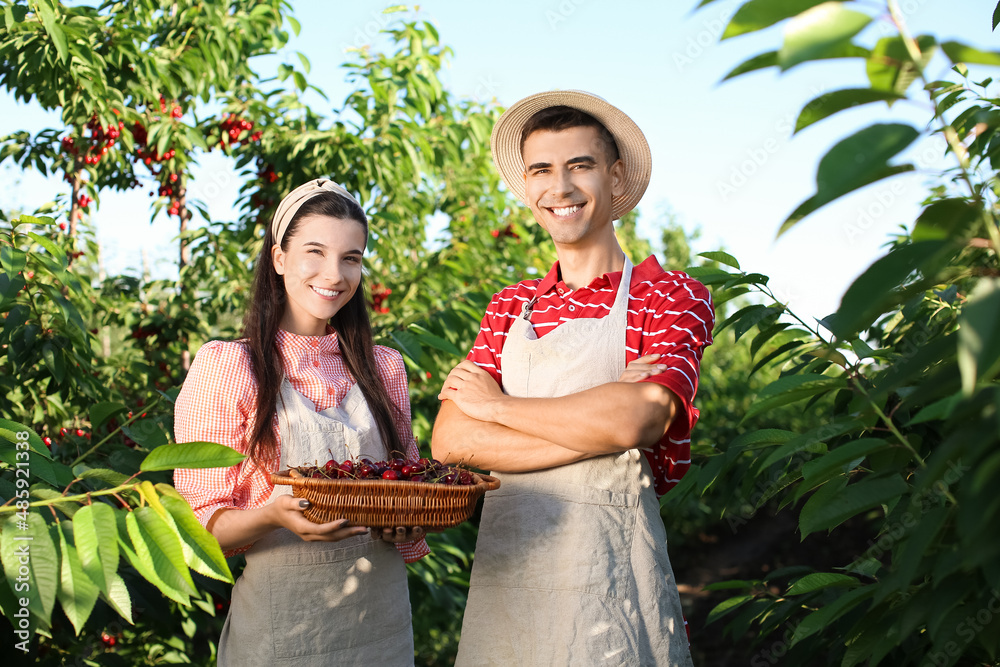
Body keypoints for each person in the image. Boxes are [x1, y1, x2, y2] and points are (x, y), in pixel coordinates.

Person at [431, 91, 714, 665]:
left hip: (610, 578)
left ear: (615, 178)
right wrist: (600, 422)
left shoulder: (671, 295)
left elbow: (639, 417)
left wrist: (498, 407)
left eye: (579, 166)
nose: (559, 187)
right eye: (541, 170)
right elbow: (453, 441)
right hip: (509, 579)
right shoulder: (509, 306)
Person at [174, 179, 428, 666]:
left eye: (351, 257)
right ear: (278, 258)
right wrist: (272, 515)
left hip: (381, 628)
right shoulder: (230, 367)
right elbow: (196, 527)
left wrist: (406, 523)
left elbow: (411, 493)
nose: (335, 274)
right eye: (316, 251)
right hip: (285, 634)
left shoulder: (384, 367)